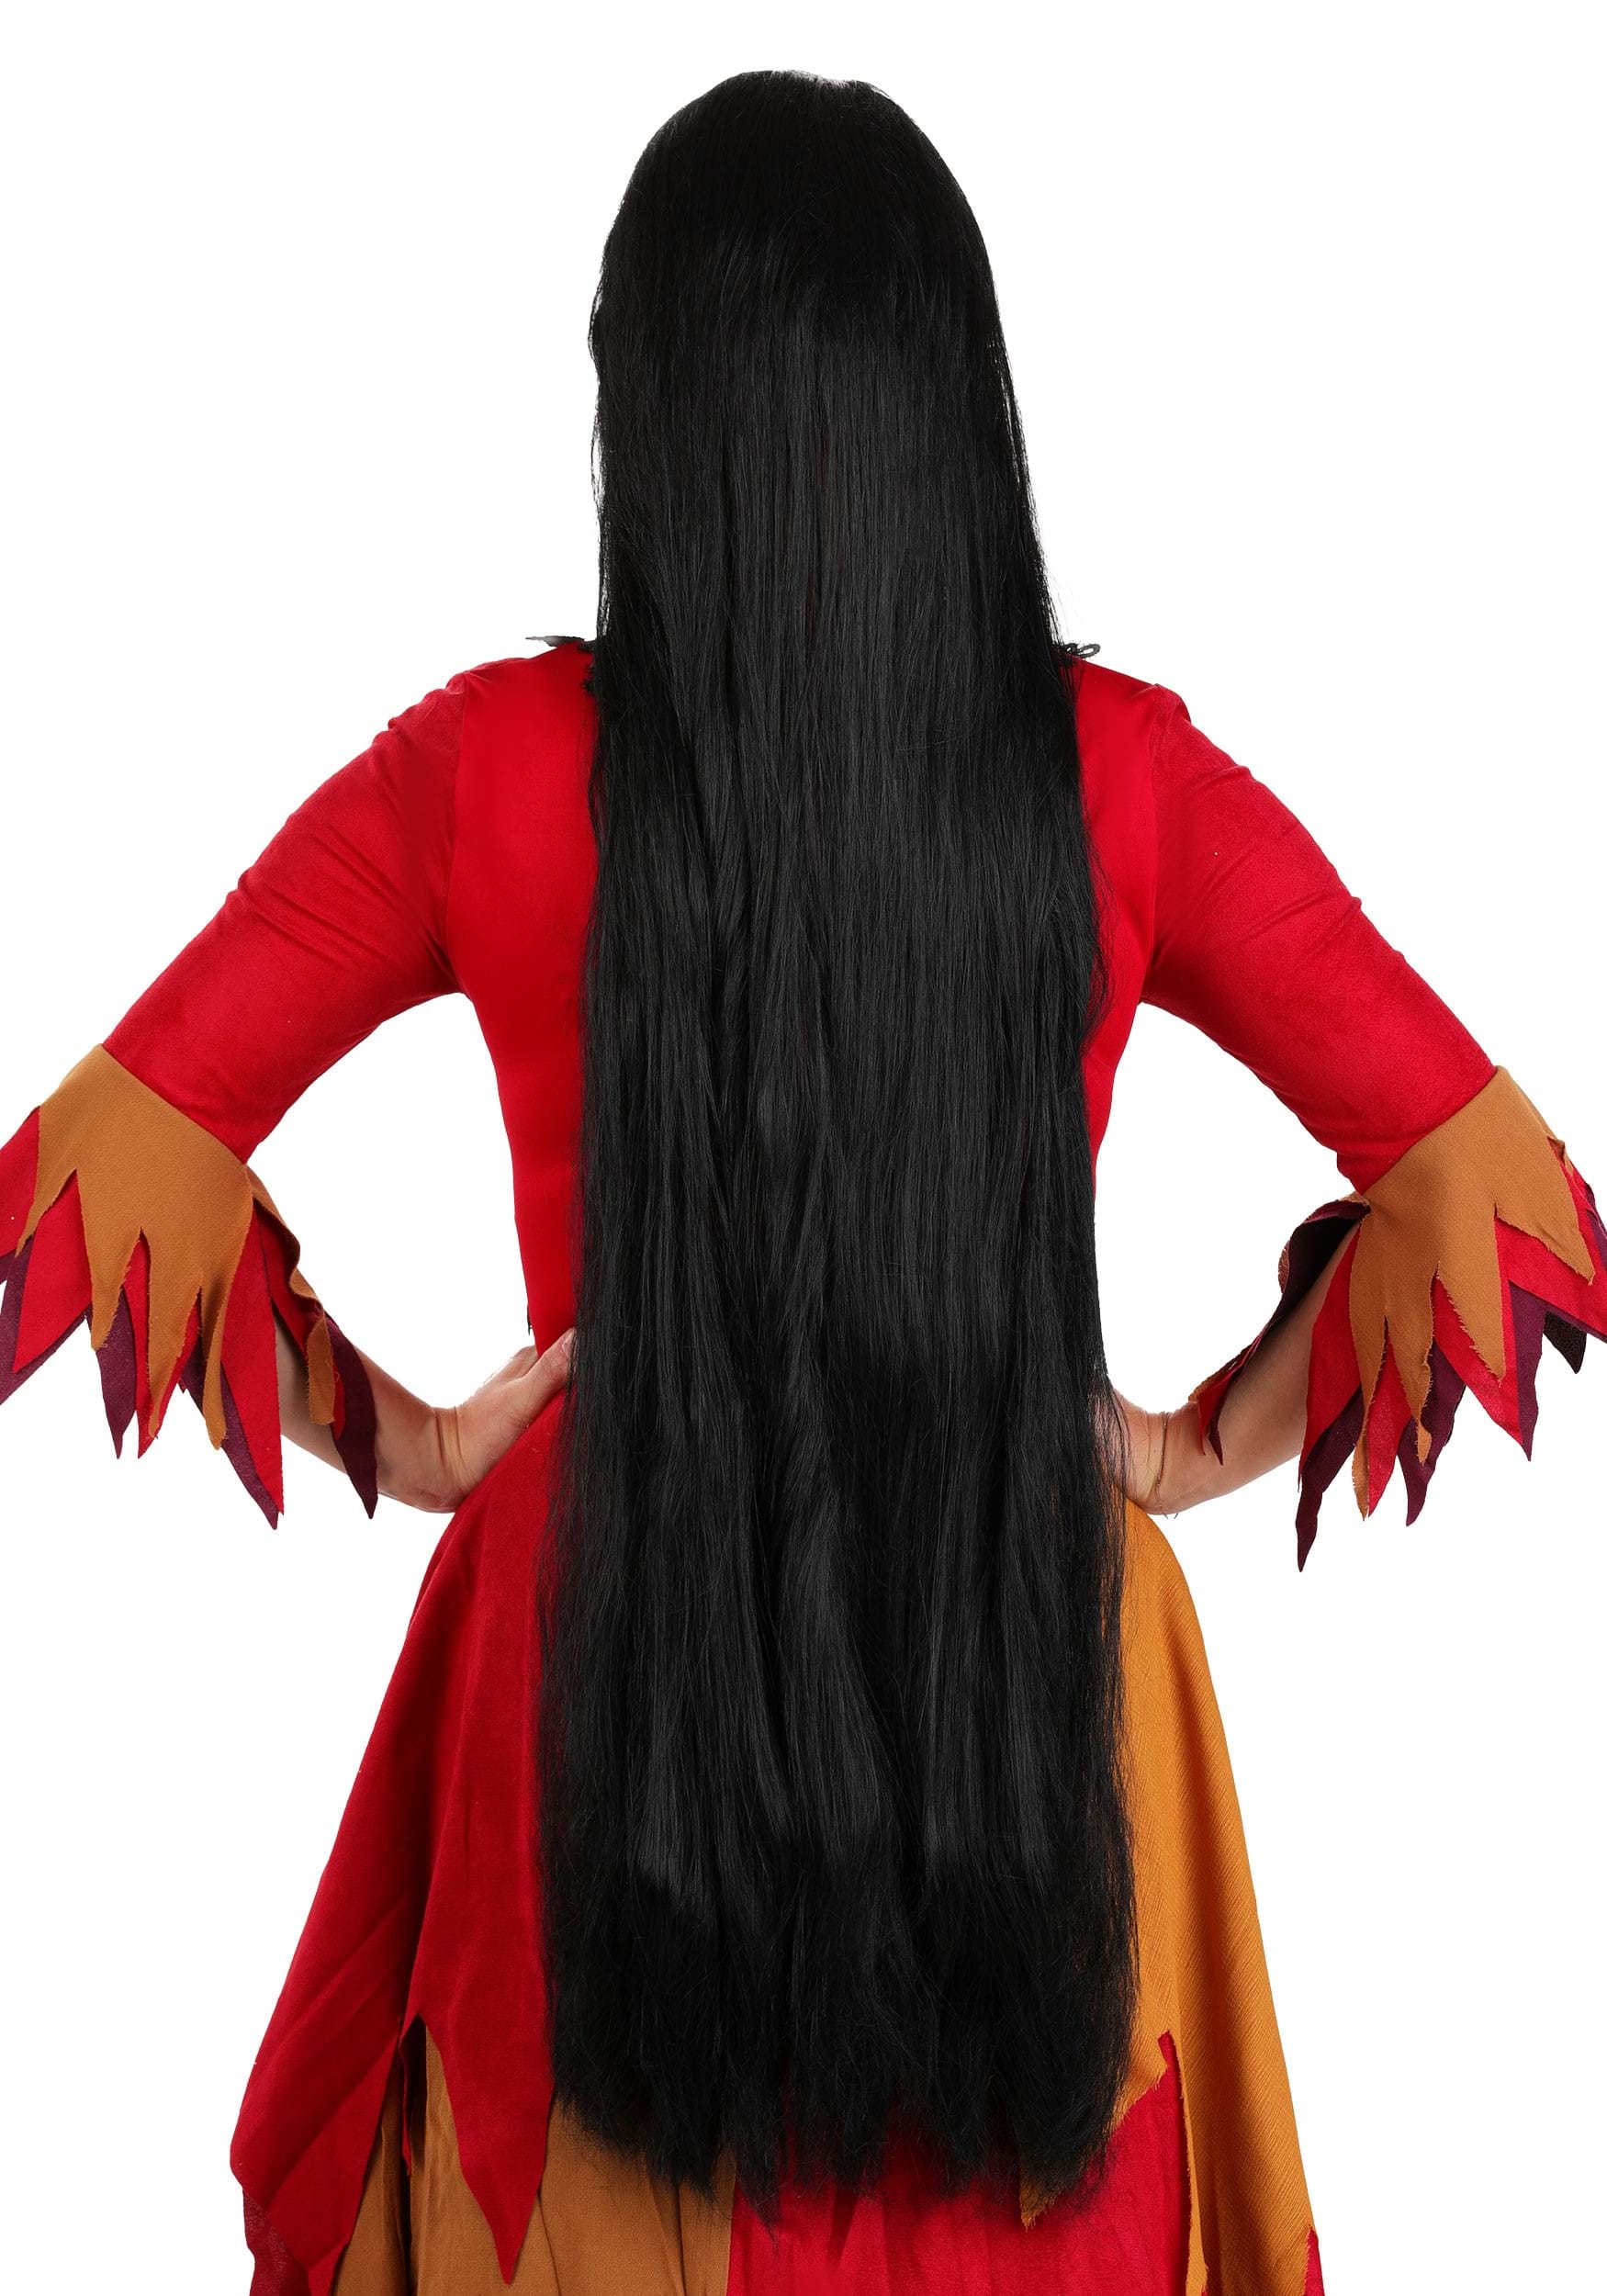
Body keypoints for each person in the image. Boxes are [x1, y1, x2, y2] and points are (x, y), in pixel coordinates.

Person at [3, 69, 1601, 2296]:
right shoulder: (1121, 781)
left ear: (646, 409)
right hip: (1024, 1626)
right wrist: (1165, 1451)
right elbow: (1496, 1203)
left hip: (593, 1615)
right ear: (957, 408)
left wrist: (432, 1443)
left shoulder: (479, 771)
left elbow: (96, 1175)